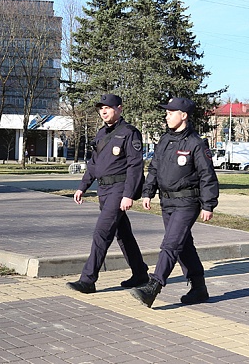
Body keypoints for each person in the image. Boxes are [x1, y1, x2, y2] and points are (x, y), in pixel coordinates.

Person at [130, 97, 219, 307]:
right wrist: (147, 192)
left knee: (170, 244)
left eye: (171, 112)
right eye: (167, 113)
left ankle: (154, 286)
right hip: (167, 202)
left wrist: (208, 204)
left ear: (184, 115)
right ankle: (199, 288)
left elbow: (207, 175)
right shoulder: (164, 141)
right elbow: (154, 168)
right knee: (183, 245)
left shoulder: (196, 143)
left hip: (188, 201)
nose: (166, 116)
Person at [65, 93, 149, 294]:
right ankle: (140, 274)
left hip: (119, 190)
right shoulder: (101, 134)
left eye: (108, 107)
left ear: (119, 108)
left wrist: (128, 194)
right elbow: (94, 164)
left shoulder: (130, 133)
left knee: (101, 233)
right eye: (101, 108)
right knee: (123, 234)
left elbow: (135, 166)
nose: (103, 111)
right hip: (103, 190)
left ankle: (88, 279)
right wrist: (82, 187)